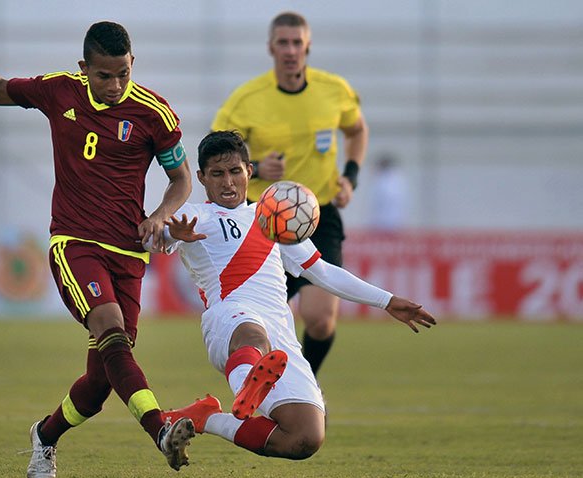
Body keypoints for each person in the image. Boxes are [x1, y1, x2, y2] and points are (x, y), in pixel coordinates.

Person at [0, 21, 196, 478]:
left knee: (101, 382)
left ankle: (44, 435)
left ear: (132, 65)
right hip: (75, 242)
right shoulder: (59, 91)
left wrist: (160, 215)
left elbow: (182, 180)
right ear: (85, 69)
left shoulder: (154, 113)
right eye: (104, 76)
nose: (116, 84)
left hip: (129, 254)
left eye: (123, 73)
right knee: (112, 331)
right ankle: (161, 429)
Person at [151, 131, 435, 459]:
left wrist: (386, 300)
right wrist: (171, 232)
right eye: (217, 174)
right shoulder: (197, 216)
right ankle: (247, 385)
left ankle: (206, 417)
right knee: (252, 336)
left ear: (249, 171)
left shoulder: (273, 218)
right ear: (201, 177)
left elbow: (324, 272)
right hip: (230, 318)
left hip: (280, 333)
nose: (227, 182)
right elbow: (149, 237)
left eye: (234, 172)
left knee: (304, 438)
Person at [212, 12, 369, 377]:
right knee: (257, 322)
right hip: (262, 219)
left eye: (297, 42)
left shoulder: (334, 91)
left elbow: (357, 130)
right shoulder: (248, 99)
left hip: (319, 215)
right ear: (270, 48)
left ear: (308, 46)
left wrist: (351, 177)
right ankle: (265, 389)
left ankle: (304, 386)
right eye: (282, 42)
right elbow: (216, 148)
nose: (290, 50)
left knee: (320, 319)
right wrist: (254, 166)